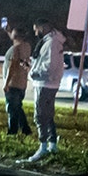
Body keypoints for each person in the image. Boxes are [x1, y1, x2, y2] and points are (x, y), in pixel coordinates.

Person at [24, 18, 65, 162]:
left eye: (37, 29)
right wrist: (32, 67)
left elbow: (49, 66)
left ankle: (43, 147)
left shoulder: (51, 43)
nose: (36, 33)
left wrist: (34, 72)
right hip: (47, 83)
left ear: (44, 27)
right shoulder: (51, 41)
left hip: (45, 84)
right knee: (48, 115)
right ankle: (52, 145)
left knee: (40, 116)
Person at [3, 27, 33, 136]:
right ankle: (25, 129)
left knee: (12, 108)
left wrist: (6, 83)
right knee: (18, 107)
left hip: (13, 83)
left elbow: (13, 66)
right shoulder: (26, 47)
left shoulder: (15, 49)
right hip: (22, 83)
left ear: (14, 36)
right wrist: (8, 31)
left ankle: (12, 131)